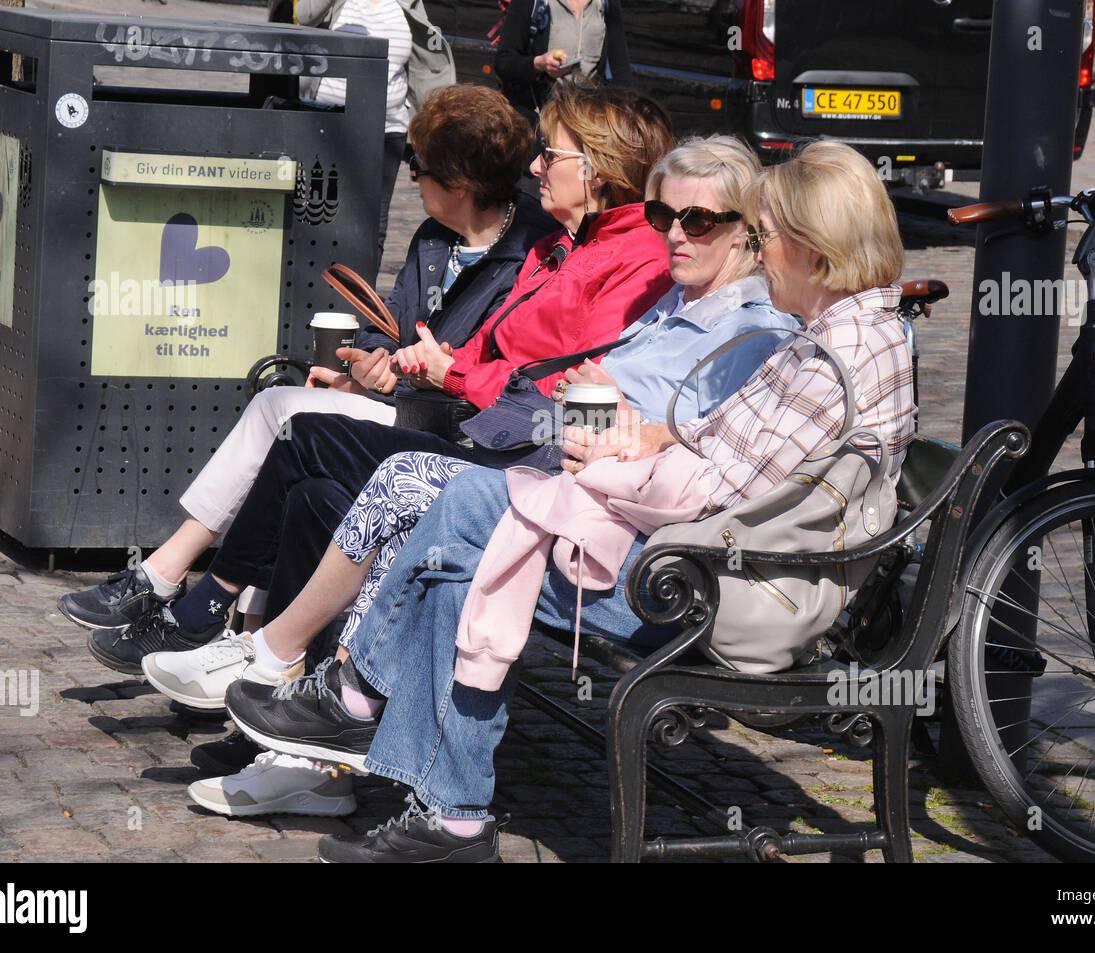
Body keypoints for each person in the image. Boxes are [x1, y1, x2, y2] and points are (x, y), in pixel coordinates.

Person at [227, 140, 919, 862]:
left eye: (765, 235)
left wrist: (612, 466)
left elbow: (717, 493)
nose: (758, 247)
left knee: (469, 508)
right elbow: (707, 441)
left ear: (813, 247)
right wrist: (637, 442)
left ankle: (358, 697)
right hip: (710, 564)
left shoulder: (830, 358)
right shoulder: (841, 335)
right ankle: (447, 813)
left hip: (716, 590)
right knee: (460, 553)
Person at [143, 136, 796, 805]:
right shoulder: (672, 305)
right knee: (328, 490)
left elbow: (702, 460)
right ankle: (310, 740)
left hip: (614, 533)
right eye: (663, 216)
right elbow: (595, 413)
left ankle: (291, 676)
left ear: (747, 230)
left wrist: (593, 416)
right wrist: (585, 405)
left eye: (699, 220)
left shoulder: (749, 332)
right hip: (559, 474)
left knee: (400, 480)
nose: (677, 235)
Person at [77, 84, 676, 678]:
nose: (537, 166)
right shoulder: (555, 246)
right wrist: (401, 369)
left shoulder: (623, 257)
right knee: (310, 483)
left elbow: (569, 387)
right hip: (474, 422)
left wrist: (448, 371)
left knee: (300, 433)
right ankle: (261, 667)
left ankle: (209, 611)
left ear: (596, 168)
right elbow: (472, 345)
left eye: (552, 154)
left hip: (518, 455)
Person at [296, 0, 414, 273]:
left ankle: (360, 300)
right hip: (327, 125)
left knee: (373, 221)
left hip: (387, 128)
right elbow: (305, 16)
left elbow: (427, 62)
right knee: (317, 211)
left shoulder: (407, 4)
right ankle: (312, 290)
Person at [495, 0, 632, 128]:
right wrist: (539, 63)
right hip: (541, 120)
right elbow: (504, 62)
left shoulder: (606, 3)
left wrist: (625, 116)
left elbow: (620, 69)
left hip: (589, 122)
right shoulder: (531, 3)